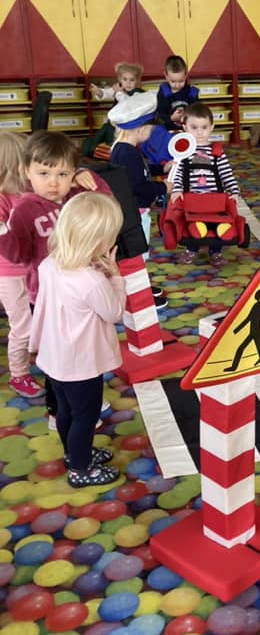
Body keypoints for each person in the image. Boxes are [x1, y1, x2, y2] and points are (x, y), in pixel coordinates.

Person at [0, 132, 111, 426]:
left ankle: (83, 398)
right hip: (46, 297)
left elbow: (106, 209)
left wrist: (90, 179)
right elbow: (18, 255)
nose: (53, 183)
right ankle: (57, 410)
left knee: (85, 350)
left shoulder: (74, 197)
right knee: (56, 358)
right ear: (26, 171)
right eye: (44, 174)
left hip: (83, 291)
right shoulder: (25, 209)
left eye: (62, 174)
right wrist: (2, 234)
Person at [30, 192, 125, 488]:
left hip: (54, 358)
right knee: (85, 416)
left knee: (65, 411)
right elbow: (114, 312)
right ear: (99, 242)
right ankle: (80, 470)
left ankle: (73, 455)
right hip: (81, 364)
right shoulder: (91, 281)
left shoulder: (49, 264)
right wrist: (115, 278)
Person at [109, 92, 172, 305]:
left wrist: (161, 168)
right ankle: (136, 295)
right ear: (140, 130)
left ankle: (139, 286)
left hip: (131, 212)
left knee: (135, 252)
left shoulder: (124, 149)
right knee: (137, 254)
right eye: (151, 130)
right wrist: (163, 187)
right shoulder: (128, 154)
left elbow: (141, 172)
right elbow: (139, 186)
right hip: (135, 214)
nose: (152, 133)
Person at [169, 102, 241, 266]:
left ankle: (216, 252)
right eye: (194, 127)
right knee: (191, 223)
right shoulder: (184, 152)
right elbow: (177, 173)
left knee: (218, 222)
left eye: (204, 127)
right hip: (192, 198)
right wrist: (177, 189)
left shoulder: (217, 152)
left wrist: (234, 191)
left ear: (211, 127)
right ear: (185, 127)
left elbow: (226, 173)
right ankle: (191, 250)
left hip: (215, 199)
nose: (199, 132)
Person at [0, 132, 42, 398]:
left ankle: (36, 353)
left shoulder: (28, 190)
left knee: (40, 316)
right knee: (22, 325)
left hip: (33, 269)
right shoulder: (4, 198)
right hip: (10, 274)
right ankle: (18, 374)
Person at [141, 54, 199, 174]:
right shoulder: (164, 92)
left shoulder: (191, 92)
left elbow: (198, 113)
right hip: (167, 132)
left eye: (181, 81)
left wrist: (188, 117)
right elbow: (159, 114)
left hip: (186, 131)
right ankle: (165, 163)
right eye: (173, 81)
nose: (177, 85)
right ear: (166, 75)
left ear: (186, 75)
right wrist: (171, 118)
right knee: (156, 132)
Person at [83, 62, 144, 159]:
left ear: (136, 81)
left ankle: (117, 154)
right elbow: (106, 93)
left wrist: (118, 92)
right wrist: (99, 91)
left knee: (121, 142)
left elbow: (126, 103)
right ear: (120, 79)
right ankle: (95, 152)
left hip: (128, 127)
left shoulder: (138, 93)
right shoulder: (119, 88)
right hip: (113, 124)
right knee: (98, 138)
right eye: (125, 79)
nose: (128, 83)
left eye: (132, 80)